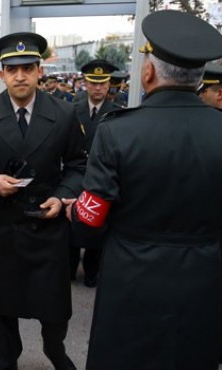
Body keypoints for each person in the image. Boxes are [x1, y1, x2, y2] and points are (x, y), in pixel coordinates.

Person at [62, 10, 222, 370]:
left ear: (149, 71)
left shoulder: (117, 131)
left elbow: (91, 219)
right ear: (201, 78)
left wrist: (74, 212)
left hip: (131, 275)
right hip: (202, 274)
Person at [0, 32, 86, 370]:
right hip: (2, 224)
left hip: (46, 223)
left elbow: (78, 165)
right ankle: (7, 358)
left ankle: (55, 351)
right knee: (2, 302)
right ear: (1, 74)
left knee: (54, 305)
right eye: (11, 70)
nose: (20, 76)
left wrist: (63, 196)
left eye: (27, 68)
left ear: (40, 71)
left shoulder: (64, 114)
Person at [69, 59, 122, 288]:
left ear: (109, 84)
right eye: (93, 83)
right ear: (85, 84)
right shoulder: (72, 110)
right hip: (75, 175)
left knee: (97, 228)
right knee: (70, 224)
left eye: (103, 83)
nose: (98, 88)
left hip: (101, 178)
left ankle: (93, 272)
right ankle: (68, 269)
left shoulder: (117, 114)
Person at [197, 64, 222, 365]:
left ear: (220, 93)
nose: (201, 97)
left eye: (205, 91)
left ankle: (218, 348)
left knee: (219, 289)